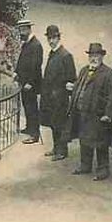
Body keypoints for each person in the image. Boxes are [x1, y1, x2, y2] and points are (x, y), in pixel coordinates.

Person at [67, 43, 112, 181]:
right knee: (84, 139)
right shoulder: (84, 70)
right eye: (91, 55)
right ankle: (85, 165)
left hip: (98, 115)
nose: (93, 58)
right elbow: (80, 87)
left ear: (102, 56)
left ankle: (103, 169)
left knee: (100, 142)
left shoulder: (109, 74)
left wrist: (108, 115)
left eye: (96, 55)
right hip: (82, 112)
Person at [40, 25, 76, 161]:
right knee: (53, 123)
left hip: (60, 97)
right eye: (49, 38)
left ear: (59, 38)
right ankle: (56, 148)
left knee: (60, 124)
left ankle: (62, 151)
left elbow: (71, 78)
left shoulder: (66, 55)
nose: (51, 41)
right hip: (51, 96)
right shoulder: (52, 53)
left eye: (54, 38)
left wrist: (65, 90)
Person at [14, 19, 43, 144]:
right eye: (20, 30)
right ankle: (29, 127)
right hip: (24, 82)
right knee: (26, 105)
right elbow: (21, 60)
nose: (21, 32)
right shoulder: (26, 43)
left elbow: (35, 66)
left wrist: (30, 82)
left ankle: (34, 134)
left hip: (31, 84)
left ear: (29, 29)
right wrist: (16, 72)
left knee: (32, 108)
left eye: (24, 30)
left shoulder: (36, 45)